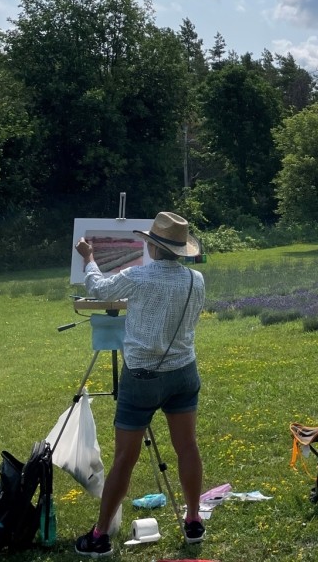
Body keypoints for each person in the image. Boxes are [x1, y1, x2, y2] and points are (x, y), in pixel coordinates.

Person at [73, 212, 206, 557]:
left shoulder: (139, 276)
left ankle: (100, 535)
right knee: (187, 447)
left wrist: (89, 257)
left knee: (124, 458)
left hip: (142, 376)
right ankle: (193, 520)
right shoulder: (196, 279)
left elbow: (98, 289)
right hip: (184, 370)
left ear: (153, 246)